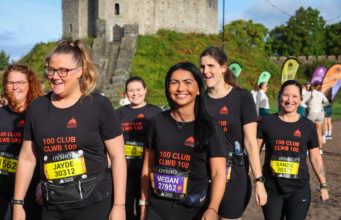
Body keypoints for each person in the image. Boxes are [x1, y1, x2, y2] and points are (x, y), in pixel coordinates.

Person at [13, 40, 127, 220]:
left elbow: (118, 157)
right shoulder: (37, 107)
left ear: (79, 71)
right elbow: (27, 158)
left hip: (93, 202)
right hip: (52, 204)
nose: (55, 76)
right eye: (51, 70)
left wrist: (119, 206)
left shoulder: (99, 104)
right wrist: (18, 204)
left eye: (63, 71)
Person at [140, 62, 227, 220]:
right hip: (157, 209)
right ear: (168, 88)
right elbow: (148, 166)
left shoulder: (211, 128)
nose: (180, 89)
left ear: (199, 89)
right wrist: (143, 203)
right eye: (174, 83)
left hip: (193, 210)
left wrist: (213, 209)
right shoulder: (157, 122)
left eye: (187, 82)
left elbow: (218, 173)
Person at [200, 46, 267, 220]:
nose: (205, 71)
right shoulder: (199, 100)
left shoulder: (242, 97)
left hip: (234, 175)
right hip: (204, 174)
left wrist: (259, 181)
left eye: (210, 66)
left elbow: (251, 144)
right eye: (202, 67)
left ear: (223, 68)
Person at [257, 80, 329, 220]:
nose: (290, 100)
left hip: (299, 190)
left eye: (295, 96)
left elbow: (315, 157)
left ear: (301, 99)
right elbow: (254, 153)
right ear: (279, 97)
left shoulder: (308, 126)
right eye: (286, 95)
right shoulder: (266, 122)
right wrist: (251, 179)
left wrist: (323, 184)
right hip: (272, 190)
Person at [0, 64, 43, 220]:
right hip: (2, 192)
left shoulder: (39, 115)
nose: (15, 87)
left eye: (20, 82)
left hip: (32, 193)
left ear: (30, 84)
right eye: (11, 83)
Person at [116, 76, 161, 220]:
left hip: (147, 170)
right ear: (126, 93)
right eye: (131, 91)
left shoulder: (156, 113)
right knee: (125, 210)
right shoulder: (118, 114)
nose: (135, 94)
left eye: (138, 90)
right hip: (124, 171)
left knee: (145, 211)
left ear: (145, 90)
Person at [301, 83, 329, 154]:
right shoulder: (320, 93)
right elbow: (327, 103)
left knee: (308, 132)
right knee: (318, 132)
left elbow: (302, 103)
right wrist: (320, 105)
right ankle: (320, 149)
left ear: (310, 87)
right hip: (320, 113)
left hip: (311, 113)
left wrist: (307, 107)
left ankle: (307, 148)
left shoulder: (308, 94)